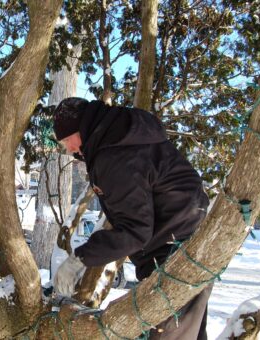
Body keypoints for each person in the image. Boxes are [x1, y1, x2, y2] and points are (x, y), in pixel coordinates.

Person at [52, 97, 211, 340]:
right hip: (186, 238)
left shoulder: (113, 156)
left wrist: (80, 258)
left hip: (175, 250)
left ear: (80, 129)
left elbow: (134, 231)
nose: (69, 149)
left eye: (66, 140)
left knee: (168, 334)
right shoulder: (122, 135)